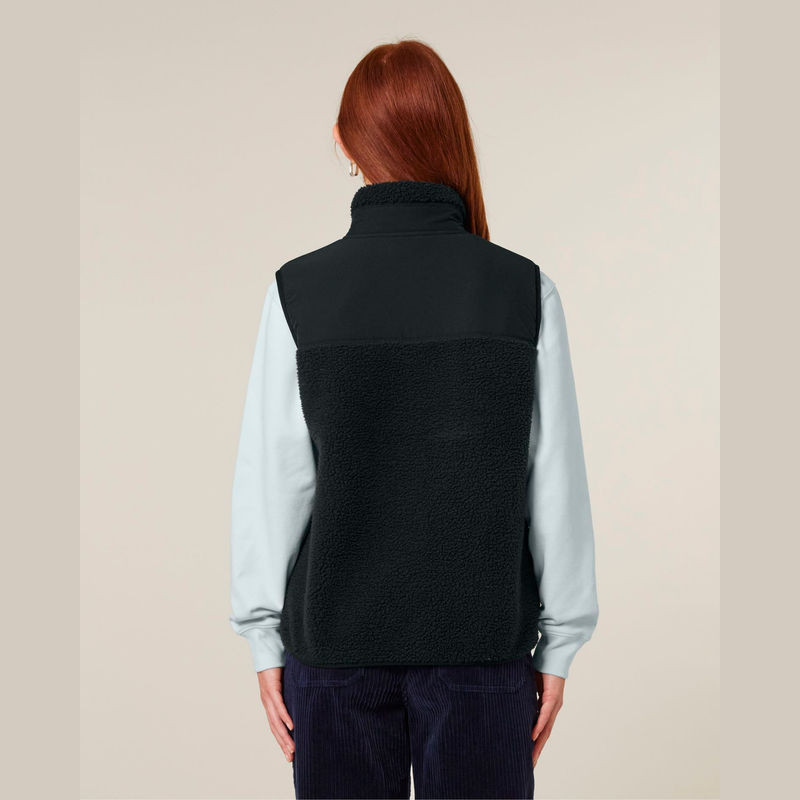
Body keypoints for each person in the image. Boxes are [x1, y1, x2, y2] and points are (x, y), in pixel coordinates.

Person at [229, 39, 598, 800]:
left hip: (334, 649)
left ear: (343, 143)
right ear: (451, 135)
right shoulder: (522, 290)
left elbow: (275, 481)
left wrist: (263, 637)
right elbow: (554, 482)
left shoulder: (298, 291)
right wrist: (559, 646)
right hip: (482, 652)